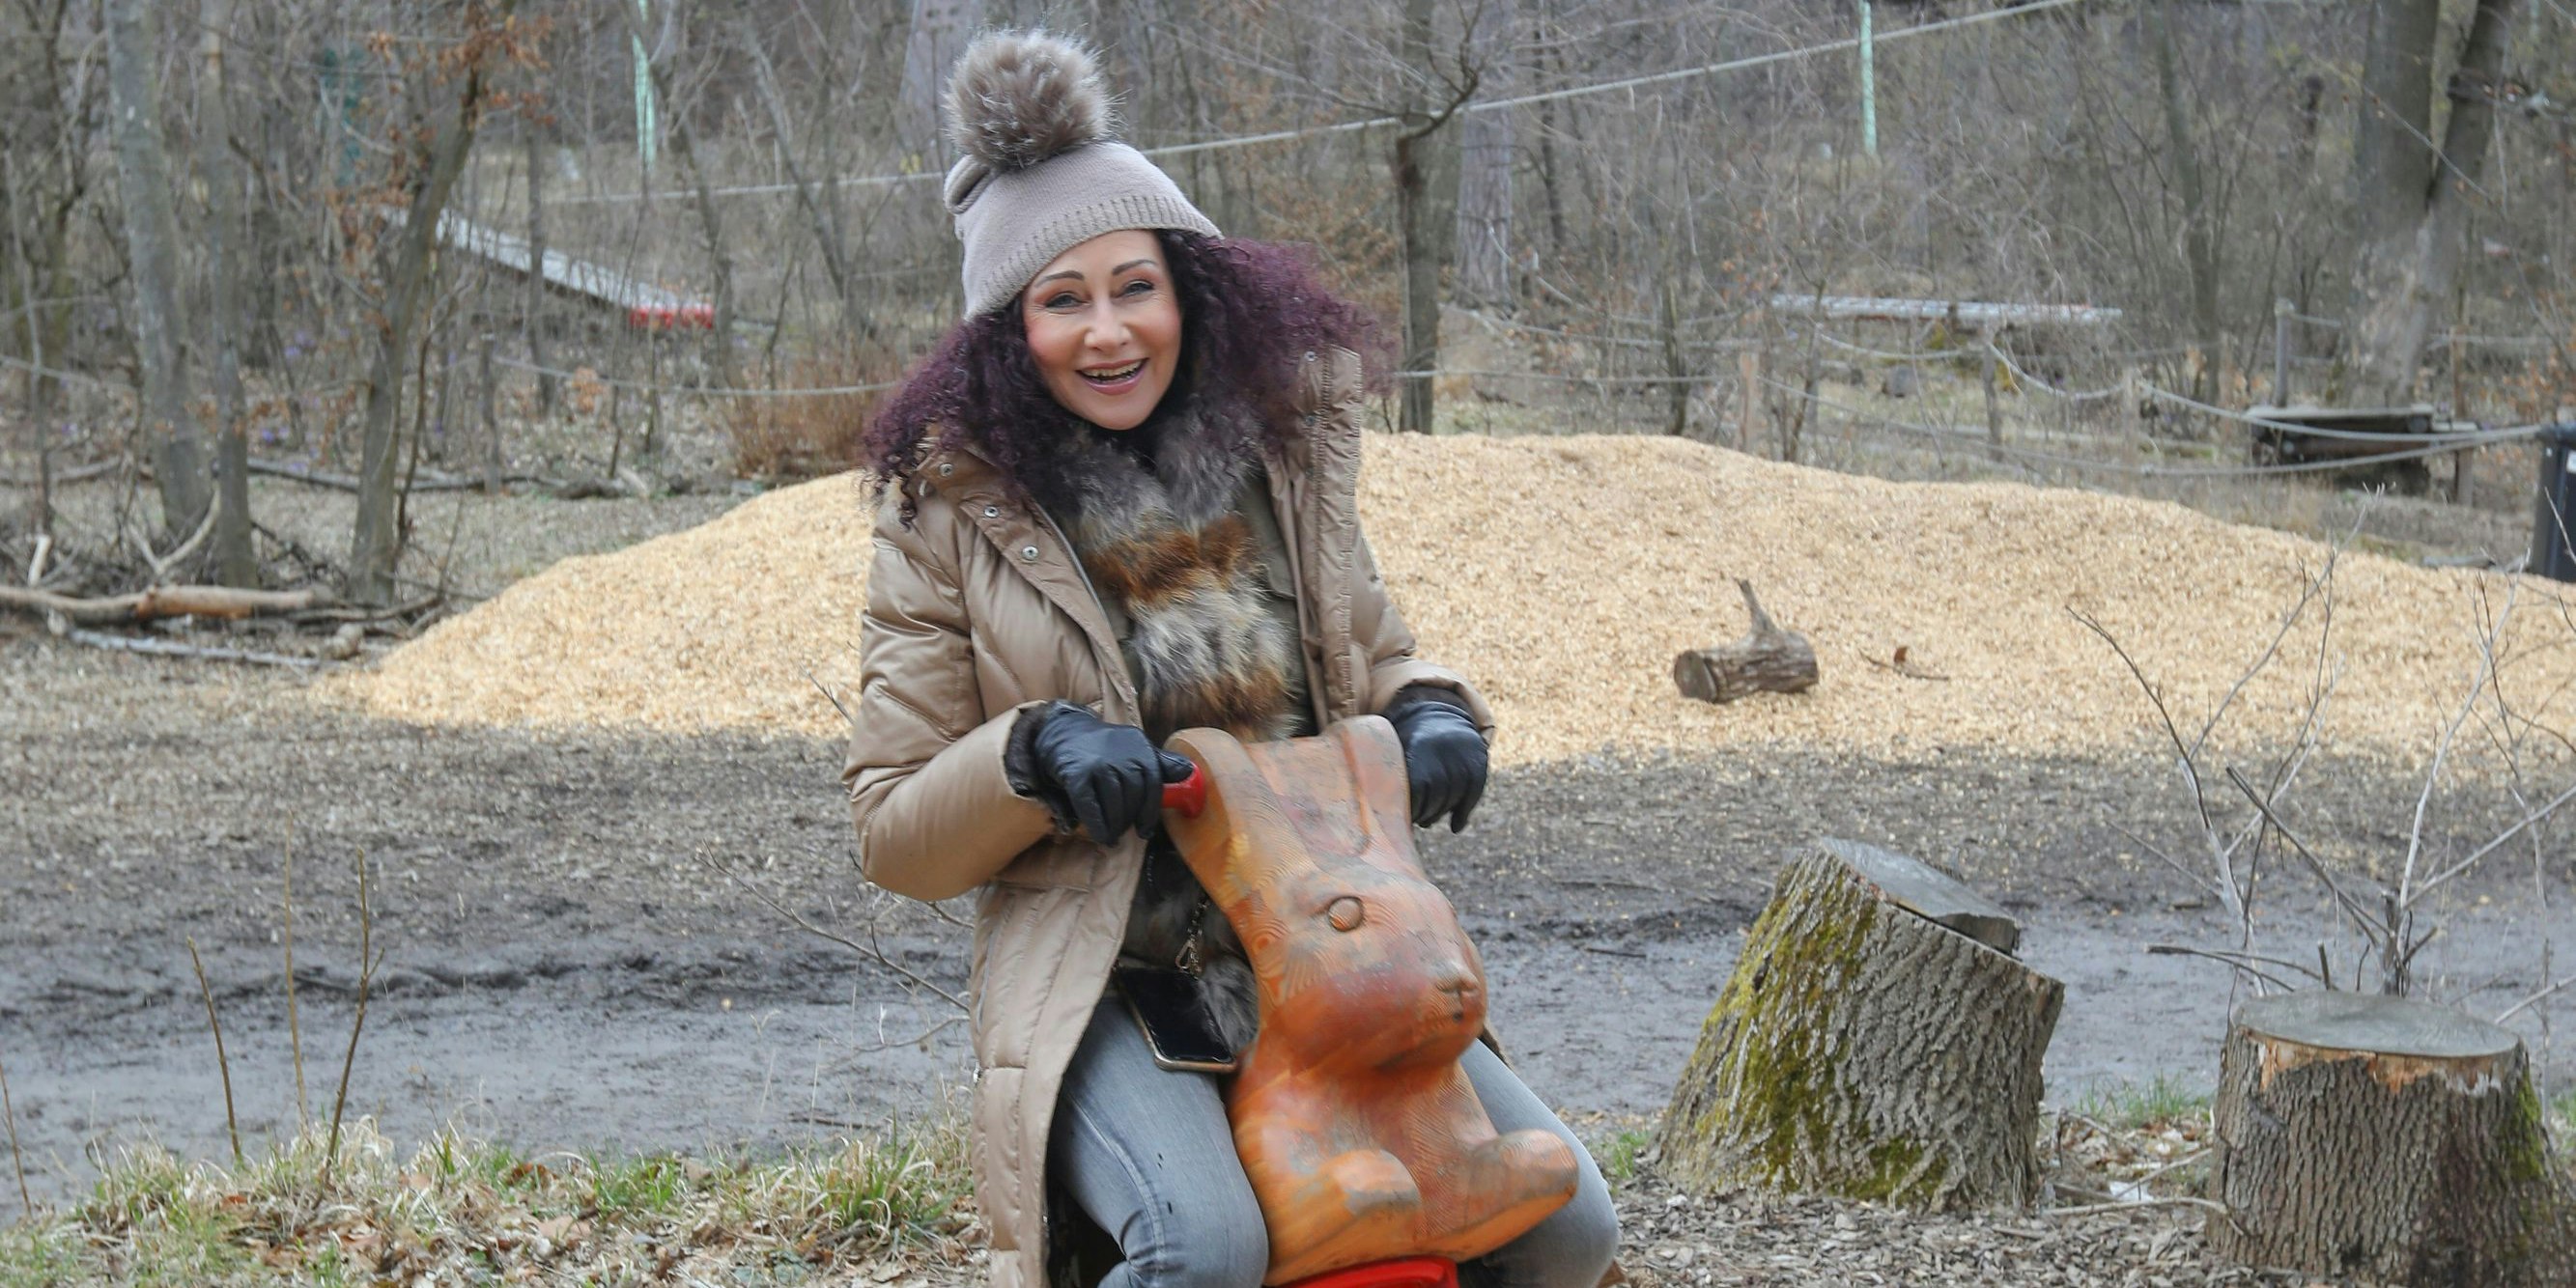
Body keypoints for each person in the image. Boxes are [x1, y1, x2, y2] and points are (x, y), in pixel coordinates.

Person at [845, 30, 1619, 1288]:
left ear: (1189, 289)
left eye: (1133, 285)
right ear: (1007, 330)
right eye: (1062, 299)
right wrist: (1031, 755)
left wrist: (1430, 716)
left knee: (1564, 1225)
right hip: (1114, 974)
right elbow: (891, 830)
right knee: (1205, 1243)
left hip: (1335, 955)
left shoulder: (1284, 453)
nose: (1108, 331)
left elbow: (1376, 662)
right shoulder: (948, 514)